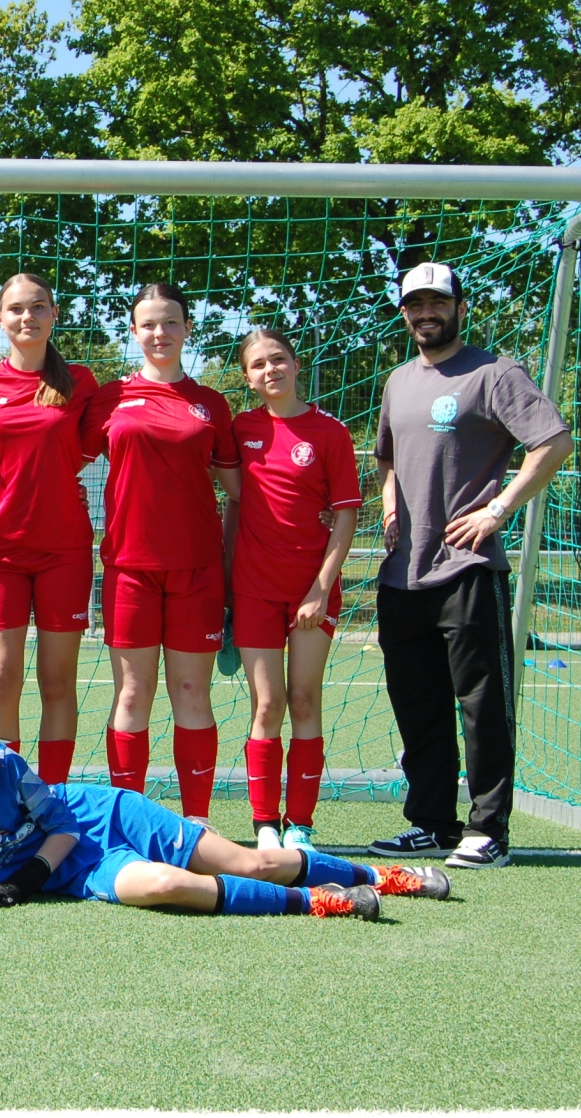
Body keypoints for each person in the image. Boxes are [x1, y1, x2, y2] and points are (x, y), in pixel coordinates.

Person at [0, 700, 449, 919]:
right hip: (78, 873)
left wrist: (27, 877)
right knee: (166, 885)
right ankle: (322, 901)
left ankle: (384, 877)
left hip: (99, 821)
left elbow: (63, 825)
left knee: (253, 863)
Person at [368, 261, 573, 869]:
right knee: (418, 703)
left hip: (468, 567)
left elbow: (554, 442)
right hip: (403, 573)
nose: (425, 313)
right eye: (415, 304)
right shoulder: (398, 381)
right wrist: (389, 506)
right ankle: (432, 822)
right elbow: (387, 458)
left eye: (437, 302)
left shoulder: (495, 373)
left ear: (461, 308)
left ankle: (489, 830)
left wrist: (499, 508)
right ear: (405, 313)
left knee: (481, 704)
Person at [81, 283, 239, 824]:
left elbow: (241, 489)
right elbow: (57, 459)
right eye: (148, 323)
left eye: (170, 322)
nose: (160, 333)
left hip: (197, 569)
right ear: (133, 331)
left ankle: (197, 824)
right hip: (130, 569)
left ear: (187, 328)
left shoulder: (211, 403)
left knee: (192, 692)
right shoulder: (110, 398)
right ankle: (132, 823)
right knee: (132, 694)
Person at [224, 329, 361, 851]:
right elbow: (231, 497)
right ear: (247, 377)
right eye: (258, 364)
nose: (270, 370)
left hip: (311, 591)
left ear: (296, 364)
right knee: (267, 704)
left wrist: (320, 589)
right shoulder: (241, 429)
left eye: (278, 359)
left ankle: (300, 824)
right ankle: (264, 823)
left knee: (304, 700)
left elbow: (345, 516)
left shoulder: (330, 432)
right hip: (254, 588)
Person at [0, 273, 100, 783]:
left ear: (54, 314)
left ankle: (55, 796)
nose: (28, 317)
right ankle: (5, 794)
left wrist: (58, 480)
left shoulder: (81, 382)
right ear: (0, 318)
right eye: (17, 309)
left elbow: (84, 451)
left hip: (64, 550)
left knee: (57, 682)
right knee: (0, 681)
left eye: (38, 306)